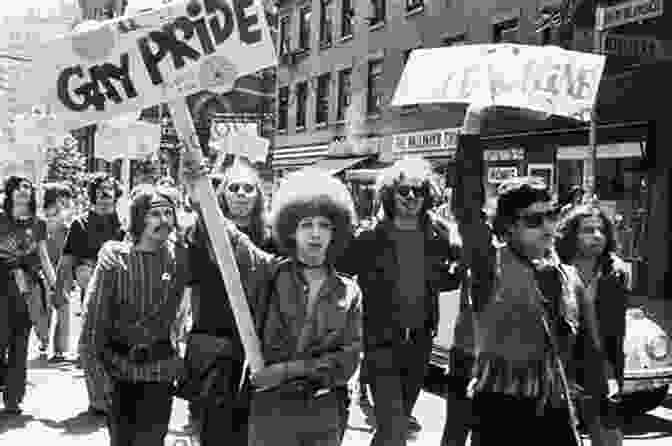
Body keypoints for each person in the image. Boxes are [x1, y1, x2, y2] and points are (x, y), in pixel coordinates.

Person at [101, 165, 363, 446]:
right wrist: (202, 198)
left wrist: (286, 372)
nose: (315, 234)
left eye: (324, 225)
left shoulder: (348, 292)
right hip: (272, 408)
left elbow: (347, 361)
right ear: (290, 230)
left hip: (323, 413)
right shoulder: (271, 272)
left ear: (336, 231)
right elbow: (231, 241)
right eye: (306, 225)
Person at [462, 175, 609, 446]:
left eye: (551, 216)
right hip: (500, 409)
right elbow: (468, 208)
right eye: (533, 221)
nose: (547, 228)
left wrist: (602, 417)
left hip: (554, 408)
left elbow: (591, 351)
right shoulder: (489, 267)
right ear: (508, 226)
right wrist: (471, 134)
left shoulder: (568, 277)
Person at [340, 157, 462, 446]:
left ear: (427, 195)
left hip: (420, 341)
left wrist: (458, 268)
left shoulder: (438, 235)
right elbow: (341, 273)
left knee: (395, 424)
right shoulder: (370, 236)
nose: (411, 197)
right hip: (380, 339)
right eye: (404, 190)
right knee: (394, 425)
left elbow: (449, 279)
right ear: (390, 193)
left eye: (418, 191)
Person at [79, 184, 190, 446]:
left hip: (159, 372)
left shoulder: (181, 258)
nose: (163, 220)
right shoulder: (114, 257)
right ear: (139, 217)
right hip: (119, 373)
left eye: (168, 213)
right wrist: (98, 379)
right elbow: (93, 323)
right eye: (155, 214)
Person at [180, 159, 274, 446]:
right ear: (222, 195)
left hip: (258, 349)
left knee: (248, 432)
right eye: (234, 187)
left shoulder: (274, 238)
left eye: (249, 188)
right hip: (214, 343)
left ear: (259, 195)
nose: (242, 193)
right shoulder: (201, 231)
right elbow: (192, 284)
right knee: (213, 431)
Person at [556, 204, 628, 446]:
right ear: (571, 235)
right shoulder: (555, 269)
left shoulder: (614, 272)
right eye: (588, 230)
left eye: (601, 230)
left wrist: (612, 369)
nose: (597, 236)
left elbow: (617, 329)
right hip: (562, 361)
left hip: (601, 362)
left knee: (608, 434)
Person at [54, 173, 126, 416]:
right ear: (92, 194)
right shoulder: (80, 224)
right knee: (92, 344)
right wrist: (59, 290)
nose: (106, 196)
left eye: (110, 191)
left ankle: (116, 394)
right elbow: (66, 260)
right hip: (93, 293)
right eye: (101, 191)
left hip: (125, 293)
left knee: (119, 344)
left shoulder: (125, 224)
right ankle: (98, 398)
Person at [0, 176, 57, 415]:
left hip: (28, 289)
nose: (24, 192)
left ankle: (14, 397)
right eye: (19, 188)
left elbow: (43, 256)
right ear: (10, 193)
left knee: (20, 343)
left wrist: (55, 286)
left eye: (28, 188)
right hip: (2, 285)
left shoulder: (39, 223)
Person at [42, 182, 75, 362]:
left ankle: (59, 349)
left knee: (62, 307)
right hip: (46, 268)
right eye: (64, 196)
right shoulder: (45, 217)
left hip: (62, 267)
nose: (67, 200)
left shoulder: (64, 216)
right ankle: (47, 340)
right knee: (51, 308)